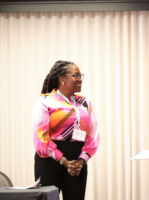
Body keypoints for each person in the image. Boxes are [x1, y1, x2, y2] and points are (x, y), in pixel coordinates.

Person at [32, 60, 100, 200]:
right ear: (62, 79)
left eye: (81, 75)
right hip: (49, 161)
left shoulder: (85, 102)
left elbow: (93, 136)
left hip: (77, 163)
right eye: (76, 75)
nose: (80, 79)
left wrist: (81, 161)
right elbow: (41, 138)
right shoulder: (45, 101)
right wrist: (64, 161)